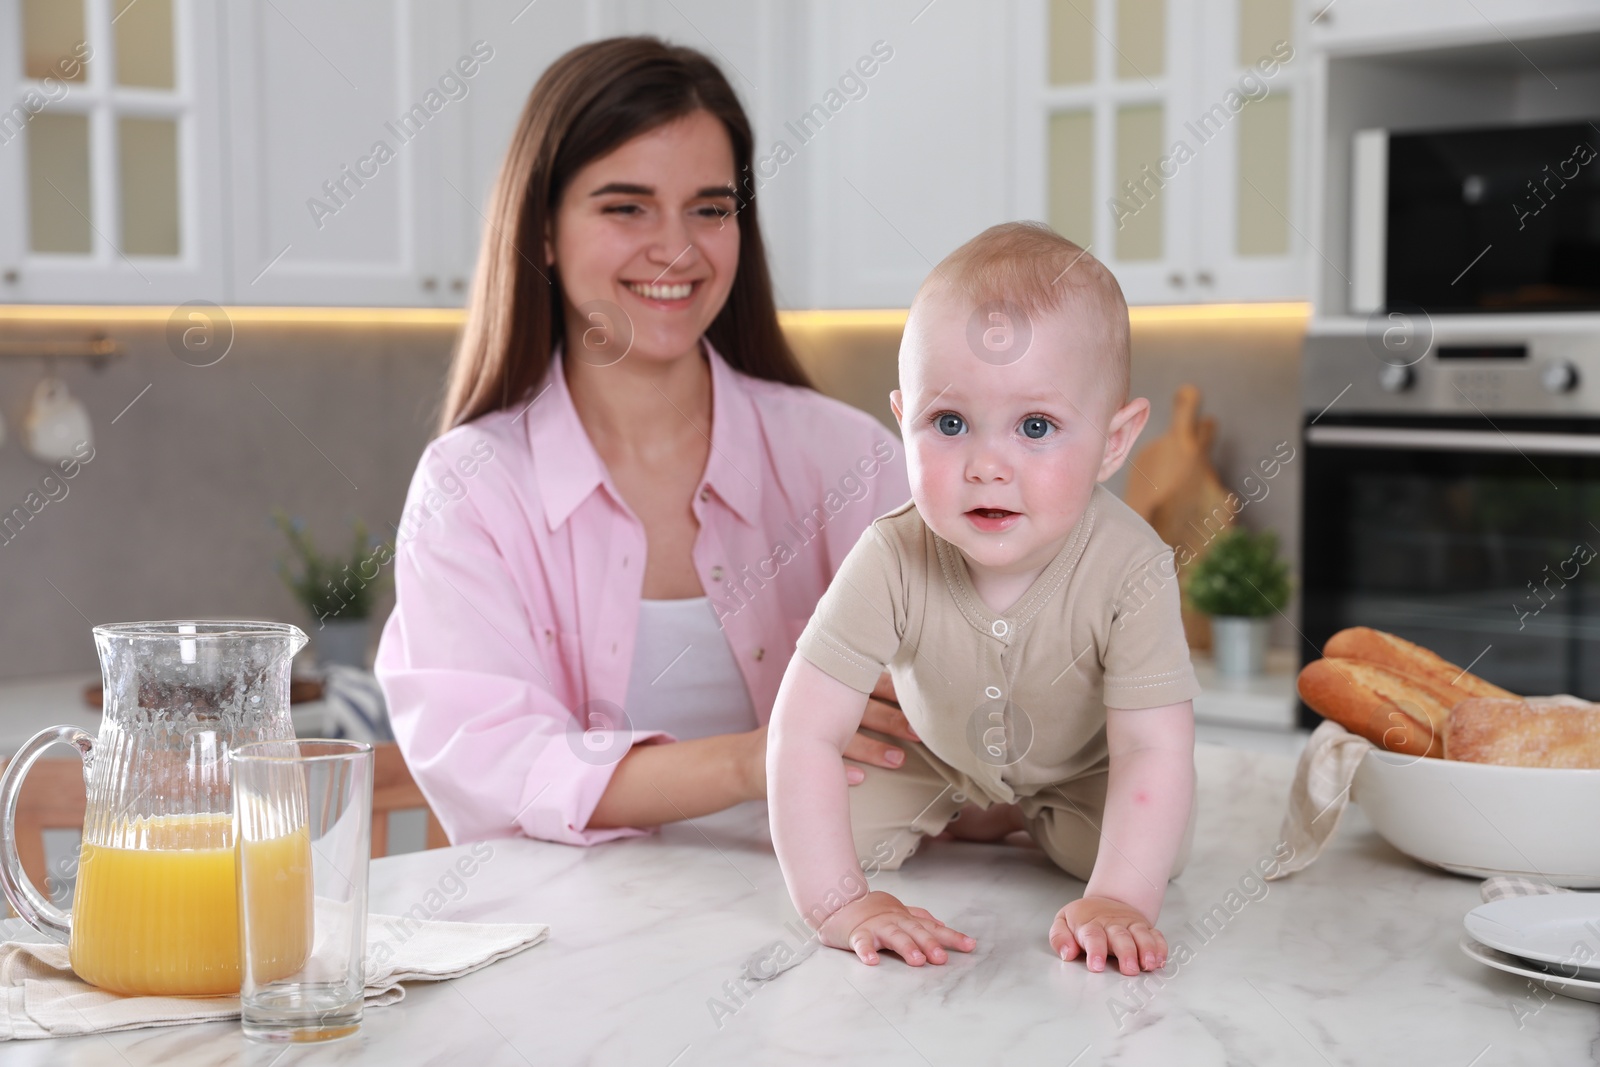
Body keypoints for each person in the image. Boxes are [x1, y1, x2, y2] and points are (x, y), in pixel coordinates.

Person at [374, 37, 916, 848]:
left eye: (710, 207)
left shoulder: (847, 459)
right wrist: (762, 758)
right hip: (574, 955)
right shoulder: (470, 487)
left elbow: (959, 706)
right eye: (626, 206)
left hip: (834, 932)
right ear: (545, 231)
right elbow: (503, 769)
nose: (678, 248)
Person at [767, 222, 1198, 976]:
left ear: (1114, 440)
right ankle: (983, 809)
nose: (987, 466)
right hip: (937, 754)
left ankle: (1028, 816)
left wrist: (1122, 898)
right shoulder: (890, 554)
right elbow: (801, 732)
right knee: (843, 823)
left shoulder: (1134, 567)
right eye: (950, 422)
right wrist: (838, 901)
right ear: (903, 422)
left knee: (1149, 842)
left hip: (1087, 769)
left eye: (1036, 426)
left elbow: (1150, 746)